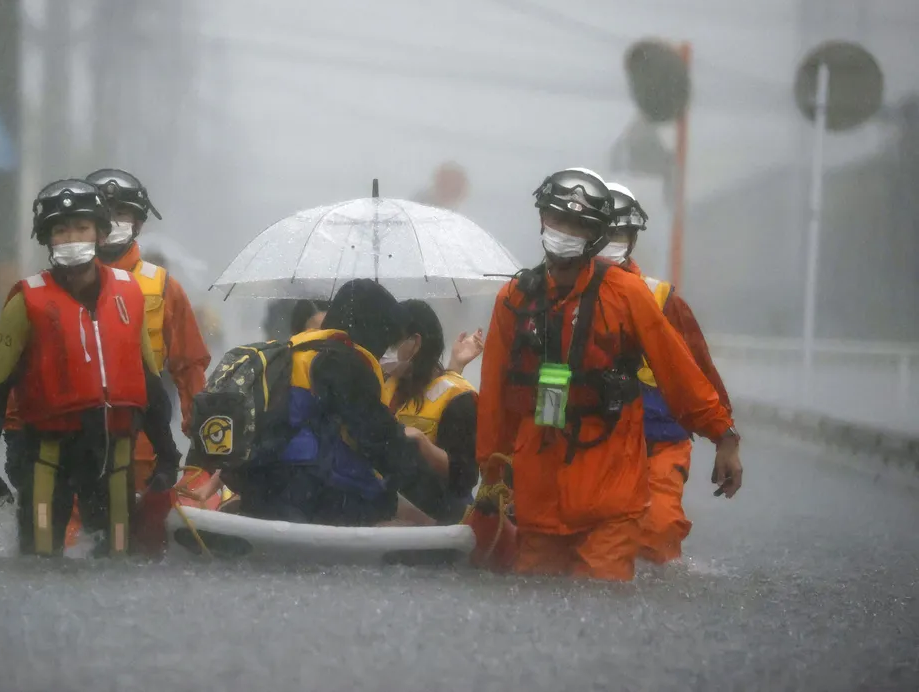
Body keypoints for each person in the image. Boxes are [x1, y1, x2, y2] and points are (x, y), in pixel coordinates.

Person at [475, 169, 743, 581]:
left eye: (578, 225)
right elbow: (495, 394)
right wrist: (490, 473)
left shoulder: (628, 294)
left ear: (595, 235)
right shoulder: (514, 300)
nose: (563, 231)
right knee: (533, 597)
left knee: (602, 600)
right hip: (539, 486)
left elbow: (680, 374)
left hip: (609, 483)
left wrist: (723, 436)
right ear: (542, 220)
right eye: (557, 219)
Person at [0, 179, 180, 556]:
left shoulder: (130, 293)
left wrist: (167, 454)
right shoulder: (27, 300)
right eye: (60, 229)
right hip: (47, 455)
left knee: (117, 560)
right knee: (40, 559)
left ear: (100, 233)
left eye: (81, 227)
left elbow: (149, 381)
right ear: (47, 239)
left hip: (114, 456)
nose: (71, 238)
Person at [219, 279, 441, 527]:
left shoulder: (296, 350)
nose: (385, 350)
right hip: (313, 495)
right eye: (387, 339)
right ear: (374, 329)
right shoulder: (345, 362)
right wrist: (426, 483)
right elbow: (378, 441)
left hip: (263, 487)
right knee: (407, 516)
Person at [601, 181, 733, 565]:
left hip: (659, 442)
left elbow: (700, 375)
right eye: (602, 232)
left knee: (657, 531)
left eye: (618, 232)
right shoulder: (557, 296)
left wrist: (726, 439)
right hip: (591, 444)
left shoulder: (661, 299)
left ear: (632, 239)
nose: (610, 240)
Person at [84, 169, 211, 484]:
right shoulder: (56, 285)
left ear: (138, 223)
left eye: (121, 213)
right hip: (69, 447)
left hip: (143, 450)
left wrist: (201, 443)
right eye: (103, 212)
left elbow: (190, 367)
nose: (111, 220)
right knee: (65, 531)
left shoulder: (163, 286)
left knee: (143, 529)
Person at [382, 299, 485, 523]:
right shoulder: (385, 383)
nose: (384, 350)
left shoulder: (458, 398)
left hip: (437, 516)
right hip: (389, 508)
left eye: (391, 342)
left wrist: (421, 443)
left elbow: (465, 476)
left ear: (415, 343)